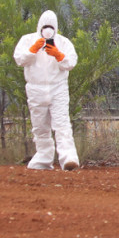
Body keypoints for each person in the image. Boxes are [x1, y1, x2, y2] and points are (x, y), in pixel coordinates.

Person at [13, 10, 79, 171]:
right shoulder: (28, 40)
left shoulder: (63, 43)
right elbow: (19, 59)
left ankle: (68, 158)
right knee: (39, 126)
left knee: (62, 123)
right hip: (35, 88)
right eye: (45, 26)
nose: (48, 30)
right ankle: (43, 158)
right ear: (40, 26)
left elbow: (71, 63)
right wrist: (32, 51)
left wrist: (58, 55)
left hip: (58, 88)